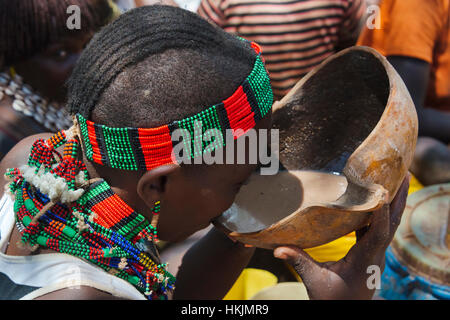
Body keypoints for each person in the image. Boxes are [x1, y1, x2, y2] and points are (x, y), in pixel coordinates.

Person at [0, 5, 408, 300]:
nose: (257, 177)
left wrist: (250, 226)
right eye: (239, 180)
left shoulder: (33, 160)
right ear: (158, 183)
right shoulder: (81, 295)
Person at [0, 0, 117, 161]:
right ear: (16, 61)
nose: (85, 62)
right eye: (61, 53)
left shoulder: (83, 107)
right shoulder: (8, 135)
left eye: (88, 44)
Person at [358, 0, 450, 186]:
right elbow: (403, 114)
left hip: (433, 120)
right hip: (393, 131)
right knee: (437, 161)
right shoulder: (418, 6)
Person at [198, 0, 367, 101]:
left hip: (256, 112)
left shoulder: (221, 3)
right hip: (321, 103)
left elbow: (201, 46)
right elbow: (355, 41)